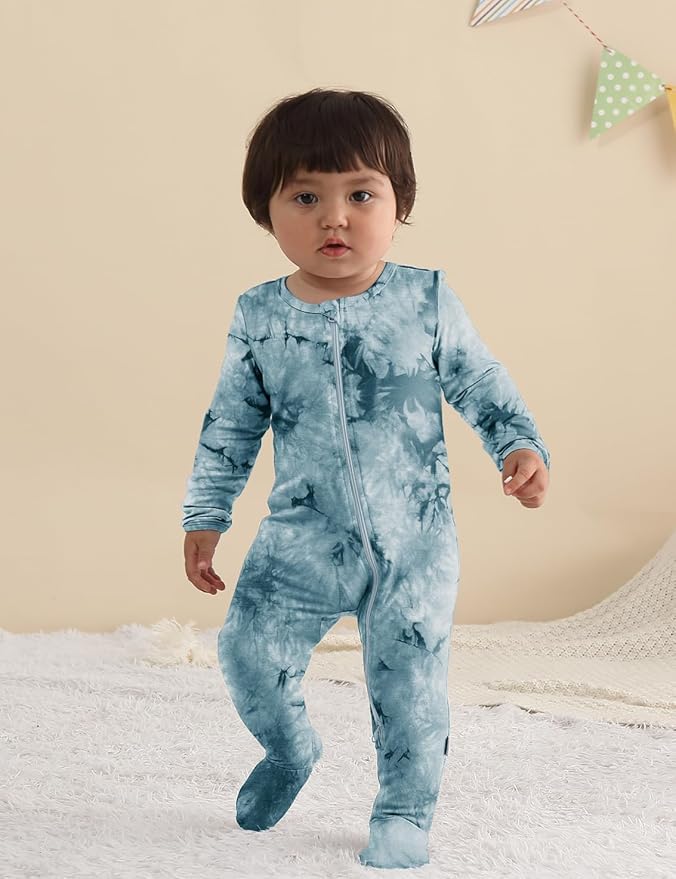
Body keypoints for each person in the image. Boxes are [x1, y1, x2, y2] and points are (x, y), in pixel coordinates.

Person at [181, 87, 550, 870]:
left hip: (414, 541)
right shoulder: (260, 316)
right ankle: (290, 747)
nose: (335, 217)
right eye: (305, 197)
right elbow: (231, 424)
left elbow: (480, 381)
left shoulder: (424, 299)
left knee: (411, 685)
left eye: (361, 194)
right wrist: (206, 514)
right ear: (265, 209)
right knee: (246, 651)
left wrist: (518, 445)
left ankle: (405, 809)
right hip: (302, 538)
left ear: (399, 202)